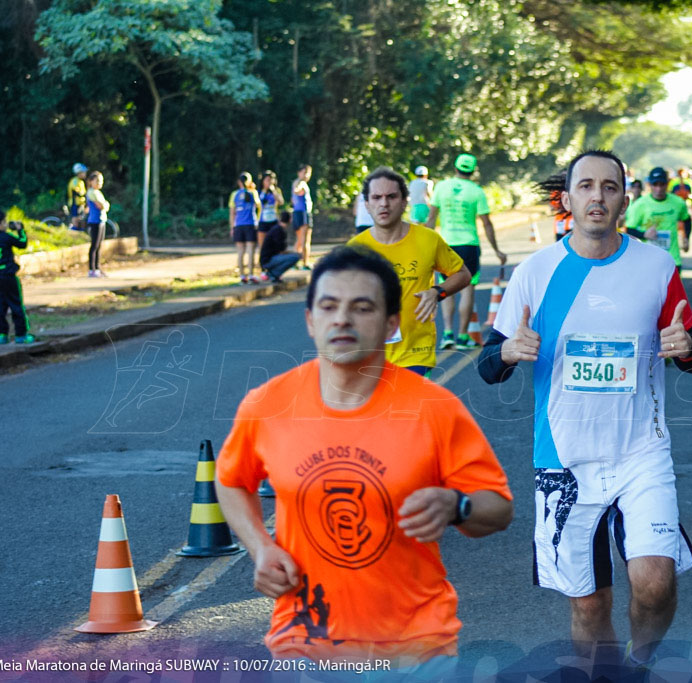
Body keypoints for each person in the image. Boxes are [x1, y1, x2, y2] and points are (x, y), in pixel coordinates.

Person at [215, 245, 513, 671]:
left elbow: (499, 510)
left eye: (362, 308)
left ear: (391, 323)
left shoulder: (434, 408)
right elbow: (231, 479)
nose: (342, 319)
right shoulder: (268, 404)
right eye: (329, 306)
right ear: (310, 320)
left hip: (416, 646)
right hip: (303, 639)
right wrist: (260, 547)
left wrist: (457, 505)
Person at [477, 150, 692, 670]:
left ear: (625, 198)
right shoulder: (536, 272)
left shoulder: (656, 266)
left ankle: (640, 665)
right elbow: (488, 363)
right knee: (588, 604)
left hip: (641, 453)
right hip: (563, 462)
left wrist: (685, 346)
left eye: (609, 187)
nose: (598, 197)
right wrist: (509, 351)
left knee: (655, 582)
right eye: (586, 186)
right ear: (568, 198)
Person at [348, 167, 471, 376]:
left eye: (391, 197)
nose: (384, 204)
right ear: (367, 205)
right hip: (369, 355)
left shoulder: (428, 239)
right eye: (376, 197)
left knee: (408, 410)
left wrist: (436, 292)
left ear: (405, 201)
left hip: (416, 353)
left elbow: (463, 274)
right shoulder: (355, 249)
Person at [426, 153, 507, 350]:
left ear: (455, 168)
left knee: (446, 289)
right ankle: (463, 337)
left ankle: (447, 334)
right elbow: (486, 223)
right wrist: (497, 250)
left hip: (446, 244)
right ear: (472, 172)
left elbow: (431, 219)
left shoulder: (442, 187)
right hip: (469, 245)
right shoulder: (476, 191)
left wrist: (426, 246)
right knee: (468, 289)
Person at [0, 211, 34, 344]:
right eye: (4, 222)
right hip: (9, 276)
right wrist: (21, 230)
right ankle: (21, 335)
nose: (6, 225)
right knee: (16, 304)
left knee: (0, 306)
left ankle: (2, 335)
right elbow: (22, 243)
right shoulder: (6, 237)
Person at [624, 167, 690, 270]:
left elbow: (687, 219)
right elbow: (629, 229)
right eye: (655, 185)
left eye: (661, 184)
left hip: (672, 259)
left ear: (667, 184)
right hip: (649, 260)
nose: (658, 189)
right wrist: (644, 235)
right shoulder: (640, 205)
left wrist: (686, 238)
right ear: (649, 185)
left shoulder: (678, 202)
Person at [229, 171, 261, 284]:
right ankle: (251, 275)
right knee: (251, 250)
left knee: (240, 252)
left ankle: (242, 276)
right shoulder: (253, 193)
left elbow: (232, 213)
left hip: (238, 225)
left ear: (239, 182)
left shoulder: (234, 194)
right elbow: (259, 207)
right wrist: (257, 220)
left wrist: (232, 227)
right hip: (250, 224)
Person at [259, 211, 301, 283]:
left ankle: (273, 273)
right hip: (268, 260)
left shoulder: (277, 228)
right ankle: (274, 274)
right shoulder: (279, 230)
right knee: (296, 257)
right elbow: (281, 251)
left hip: (268, 259)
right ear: (290, 220)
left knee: (294, 256)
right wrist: (295, 253)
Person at [85, 171, 111, 278]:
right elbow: (101, 206)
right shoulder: (92, 193)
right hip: (95, 221)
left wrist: (105, 205)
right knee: (94, 245)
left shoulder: (98, 193)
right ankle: (92, 269)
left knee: (99, 246)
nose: (100, 183)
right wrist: (105, 205)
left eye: (101, 181)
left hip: (101, 220)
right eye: (98, 180)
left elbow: (105, 205)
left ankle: (98, 268)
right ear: (91, 181)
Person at [291, 164, 314, 269]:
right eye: (304, 172)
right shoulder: (301, 183)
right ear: (299, 173)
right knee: (305, 239)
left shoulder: (296, 182)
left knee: (300, 239)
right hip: (303, 213)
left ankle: (294, 262)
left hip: (298, 212)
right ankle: (305, 262)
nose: (306, 175)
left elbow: (293, 198)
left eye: (308, 173)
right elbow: (297, 189)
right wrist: (297, 190)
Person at [257, 170, 284, 253]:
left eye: (272, 179)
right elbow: (257, 203)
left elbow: (281, 202)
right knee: (262, 243)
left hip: (274, 220)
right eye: (268, 180)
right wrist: (264, 191)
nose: (270, 182)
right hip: (262, 220)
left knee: (275, 242)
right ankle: (262, 261)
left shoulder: (276, 191)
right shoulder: (259, 192)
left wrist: (273, 191)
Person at [66, 163, 88, 230]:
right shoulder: (75, 181)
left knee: (81, 219)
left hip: (81, 203)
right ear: (79, 173)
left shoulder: (81, 181)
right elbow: (76, 192)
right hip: (75, 203)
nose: (85, 174)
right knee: (75, 218)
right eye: (84, 172)